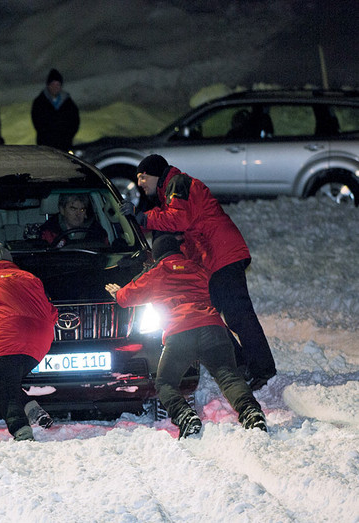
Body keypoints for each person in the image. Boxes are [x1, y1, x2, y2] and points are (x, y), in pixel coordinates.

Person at [120, 154, 276, 391]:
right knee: (210, 313)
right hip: (214, 258)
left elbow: (179, 219)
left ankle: (262, 369)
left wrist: (142, 217)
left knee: (237, 314)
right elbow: (184, 231)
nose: (140, 183)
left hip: (223, 253)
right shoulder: (169, 191)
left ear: (155, 174)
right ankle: (242, 365)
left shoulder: (177, 183)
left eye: (142, 177)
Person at [106, 234, 267, 438]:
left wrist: (118, 293)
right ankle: (252, 413)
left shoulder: (156, 272)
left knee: (165, 383)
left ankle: (185, 416)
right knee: (229, 376)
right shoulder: (197, 268)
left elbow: (126, 298)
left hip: (180, 333)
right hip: (212, 328)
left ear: (156, 256)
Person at [0, 243, 58, 441]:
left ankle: (21, 429)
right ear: (10, 263)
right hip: (42, 339)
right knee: (7, 382)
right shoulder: (31, 278)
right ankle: (32, 409)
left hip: (11, 336)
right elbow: (51, 311)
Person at [31, 68, 80, 151]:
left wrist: (67, 135)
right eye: (53, 84)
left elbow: (74, 120)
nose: (55, 87)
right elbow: (37, 122)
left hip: (64, 144)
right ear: (48, 85)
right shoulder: (40, 102)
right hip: (46, 144)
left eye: (58, 84)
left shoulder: (68, 102)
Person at [39, 193, 108, 247]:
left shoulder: (96, 231)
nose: (78, 214)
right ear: (62, 210)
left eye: (82, 209)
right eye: (73, 209)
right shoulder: (49, 231)